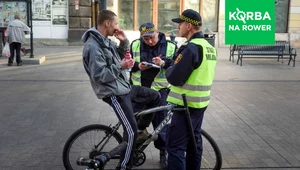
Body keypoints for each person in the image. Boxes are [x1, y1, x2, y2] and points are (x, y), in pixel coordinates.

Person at [81, 10, 160, 170]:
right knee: (130, 131)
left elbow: (118, 55)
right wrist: (121, 66)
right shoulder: (93, 46)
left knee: (155, 97)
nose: (118, 27)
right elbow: (99, 75)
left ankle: (140, 129)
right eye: (116, 23)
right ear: (107, 23)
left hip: (124, 88)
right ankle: (123, 166)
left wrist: (124, 42)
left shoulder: (104, 40)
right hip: (114, 93)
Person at [166, 9, 217, 170]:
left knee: (175, 147)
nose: (178, 27)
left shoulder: (191, 48)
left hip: (184, 106)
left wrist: (169, 68)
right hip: (200, 104)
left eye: (179, 23)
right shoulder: (209, 47)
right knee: (194, 144)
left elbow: (174, 78)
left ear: (188, 26)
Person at [130, 22, 177, 169]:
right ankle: (131, 153)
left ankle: (164, 154)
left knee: (161, 126)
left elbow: (176, 64)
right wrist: (138, 66)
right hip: (140, 91)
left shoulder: (170, 46)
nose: (149, 41)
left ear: (157, 32)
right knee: (134, 125)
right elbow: (128, 63)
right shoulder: (135, 45)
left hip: (160, 92)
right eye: (146, 39)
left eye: (151, 37)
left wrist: (164, 62)